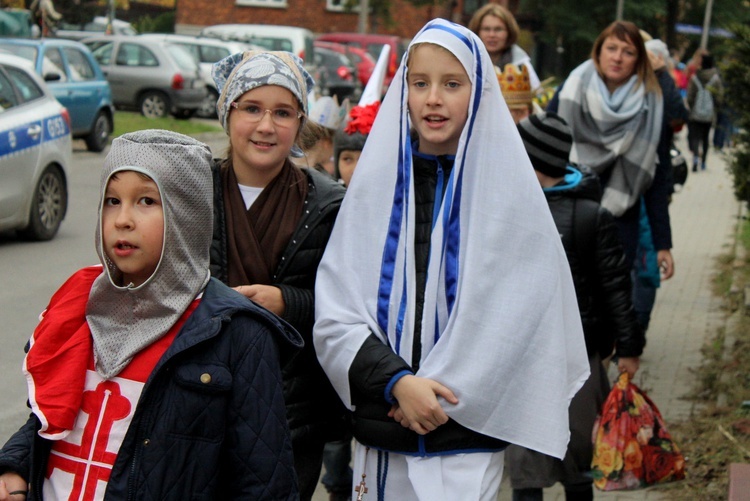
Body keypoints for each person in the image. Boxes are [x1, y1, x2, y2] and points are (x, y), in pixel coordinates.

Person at [314, 19, 589, 500]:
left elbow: (520, 317)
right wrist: (397, 383)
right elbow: (336, 310)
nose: (433, 99)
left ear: (479, 91)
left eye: (451, 84)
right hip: (383, 436)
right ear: (404, 92)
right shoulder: (373, 193)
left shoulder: (510, 198)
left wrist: (434, 397)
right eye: (420, 84)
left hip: (466, 438)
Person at [0, 130, 302, 500]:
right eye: (112, 200)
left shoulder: (236, 333)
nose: (122, 219)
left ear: (187, 215)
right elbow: (47, 418)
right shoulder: (78, 304)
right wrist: (14, 466)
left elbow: (265, 483)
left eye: (146, 200)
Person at [209, 50, 348, 500]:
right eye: (251, 108)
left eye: (283, 112)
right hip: (200, 402)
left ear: (300, 123)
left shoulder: (328, 204)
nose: (266, 126)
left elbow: (352, 304)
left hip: (291, 415)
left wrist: (289, 302)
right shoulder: (191, 190)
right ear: (227, 114)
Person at [507, 112, 645, 501]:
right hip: (523, 358)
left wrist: (629, 347)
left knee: (578, 453)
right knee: (524, 462)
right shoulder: (509, 210)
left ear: (536, 164)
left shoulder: (589, 216)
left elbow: (615, 286)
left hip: (578, 357)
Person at [547, 20, 673, 279]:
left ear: (639, 59)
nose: (617, 58)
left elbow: (658, 176)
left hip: (620, 220)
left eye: (628, 52)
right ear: (599, 51)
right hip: (567, 213)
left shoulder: (652, 102)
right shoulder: (572, 88)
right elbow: (543, 149)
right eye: (611, 48)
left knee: (612, 303)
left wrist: (663, 243)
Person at [468, 3, 541, 90]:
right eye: (486, 29)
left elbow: (537, 95)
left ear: (509, 32)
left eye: (498, 29)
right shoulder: (466, 60)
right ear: (476, 32)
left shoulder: (520, 63)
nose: (492, 35)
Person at [686, 52, 723, 172]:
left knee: (696, 136)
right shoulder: (715, 79)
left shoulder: (695, 77)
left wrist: (692, 108)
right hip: (709, 114)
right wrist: (715, 108)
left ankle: (695, 157)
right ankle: (704, 162)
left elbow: (690, 96)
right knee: (706, 138)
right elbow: (719, 97)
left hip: (695, 114)